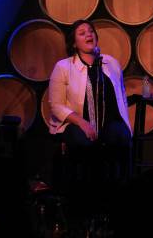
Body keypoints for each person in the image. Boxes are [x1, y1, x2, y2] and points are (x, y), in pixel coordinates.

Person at [47, 19, 132, 183]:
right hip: (76, 123)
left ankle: (116, 192)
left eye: (91, 31)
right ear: (74, 43)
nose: (88, 34)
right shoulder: (63, 67)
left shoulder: (111, 63)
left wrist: (125, 124)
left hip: (108, 122)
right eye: (82, 33)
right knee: (84, 142)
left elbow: (121, 96)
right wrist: (82, 122)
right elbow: (56, 106)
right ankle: (85, 193)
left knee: (120, 138)